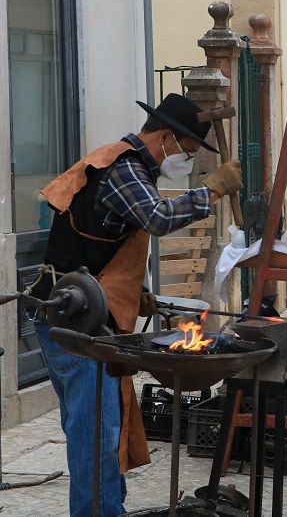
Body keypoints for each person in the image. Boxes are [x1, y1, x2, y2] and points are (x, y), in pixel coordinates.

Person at [34, 93, 243, 516]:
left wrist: (133, 290)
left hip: (78, 312)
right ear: (165, 137)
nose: (184, 161)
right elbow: (157, 218)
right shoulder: (125, 166)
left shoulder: (125, 163)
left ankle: (108, 507)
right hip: (76, 320)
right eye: (186, 152)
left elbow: (107, 238)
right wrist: (212, 190)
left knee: (100, 429)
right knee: (95, 435)